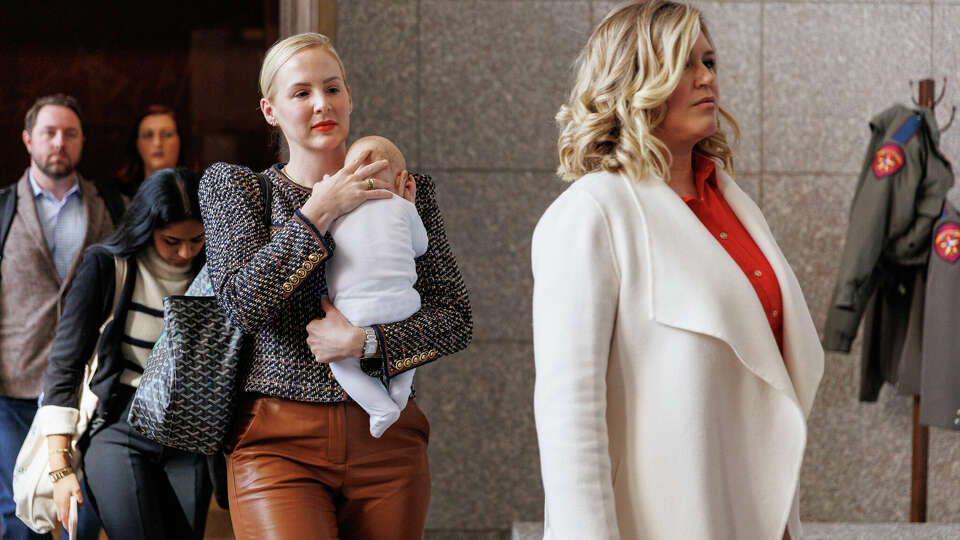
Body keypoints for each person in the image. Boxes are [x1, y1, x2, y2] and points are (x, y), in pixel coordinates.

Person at [531, 2, 824, 539]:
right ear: (634, 76)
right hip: (662, 517)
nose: (707, 77)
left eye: (709, 61)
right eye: (684, 63)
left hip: (757, 516)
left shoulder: (735, 207)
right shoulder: (592, 212)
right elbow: (569, 413)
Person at [198, 33, 471, 540]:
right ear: (271, 111)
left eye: (332, 88)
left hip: (387, 440)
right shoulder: (238, 188)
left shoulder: (404, 190)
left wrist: (365, 343)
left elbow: (454, 320)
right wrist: (321, 210)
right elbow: (242, 306)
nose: (321, 104)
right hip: (277, 444)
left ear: (350, 97)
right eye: (301, 93)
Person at [37, 168, 211, 540]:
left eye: (196, 240)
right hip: (120, 422)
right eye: (171, 241)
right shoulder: (107, 265)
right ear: (148, 228)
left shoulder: (214, 272)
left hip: (188, 429)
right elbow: (65, 365)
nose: (185, 252)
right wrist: (60, 466)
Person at [0, 94, 118, 540]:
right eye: (49, 132)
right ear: (28, 140)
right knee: (20, 511)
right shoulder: (3, 209)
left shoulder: (108, 206)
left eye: (70, 133)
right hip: (15, 383)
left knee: (82, 514)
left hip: (85, 386)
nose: (59, 142)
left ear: (82, 141)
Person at [326, 135, 424, 438]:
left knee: (342, 365)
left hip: (353, 309)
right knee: (409, 343)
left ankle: (379, 406)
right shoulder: (403, 206)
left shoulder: (336, 211)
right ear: (401, 180)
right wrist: (409, 208)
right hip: (404, 304)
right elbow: (420, 247)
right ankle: (399, 388)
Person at [114, 105, 182, 197]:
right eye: (148, 135)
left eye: (167, 135)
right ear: (137, 143)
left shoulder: (201, 194)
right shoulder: (116, 199)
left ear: (180, 141)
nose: (157, 143)